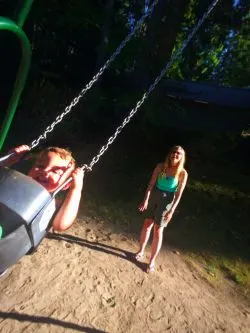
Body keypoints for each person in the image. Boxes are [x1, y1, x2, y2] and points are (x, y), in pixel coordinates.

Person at [1, 144, 84, 233]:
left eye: (56, 171)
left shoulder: (52, 205)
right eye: (41, 166)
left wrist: (76, 189)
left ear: (66, 185)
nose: (45, 171)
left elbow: (60, 225)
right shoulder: (15, 183)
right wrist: (8, 161)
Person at [135, 145, 188, 273]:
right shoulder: (161, 166)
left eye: (178, 153)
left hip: (167, 201)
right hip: (154, 196)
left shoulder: (182, 173)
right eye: (174, 152)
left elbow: (178, 194)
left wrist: (171, 211)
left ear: (182, 157)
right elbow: (151, 184)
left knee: (158, 230)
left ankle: (152, 260)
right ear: (170, 154)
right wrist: (146, 199)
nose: (175, 155)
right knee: (147, 224)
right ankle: (141, 250)